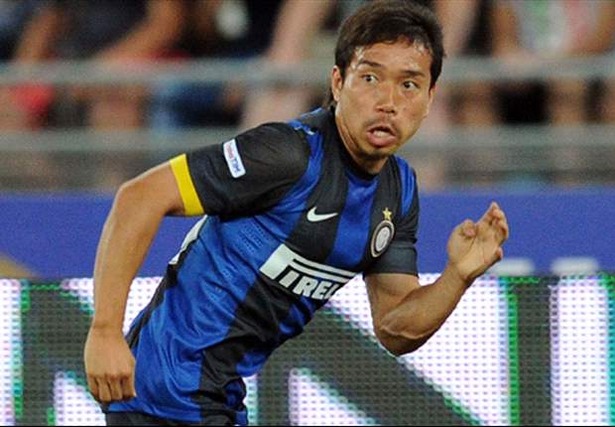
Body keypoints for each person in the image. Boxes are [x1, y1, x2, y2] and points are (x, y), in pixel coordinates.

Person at [83, 1, 510, 425]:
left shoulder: (398, 192)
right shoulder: (287, 155)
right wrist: (104, 331)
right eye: (370, 78)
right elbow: (139, 196)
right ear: (338, 83)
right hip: (161, 393)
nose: (388, 101)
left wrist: (457, 277)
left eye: (409, 85)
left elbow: (396, 328)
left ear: (431, 98)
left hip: (217, 398)